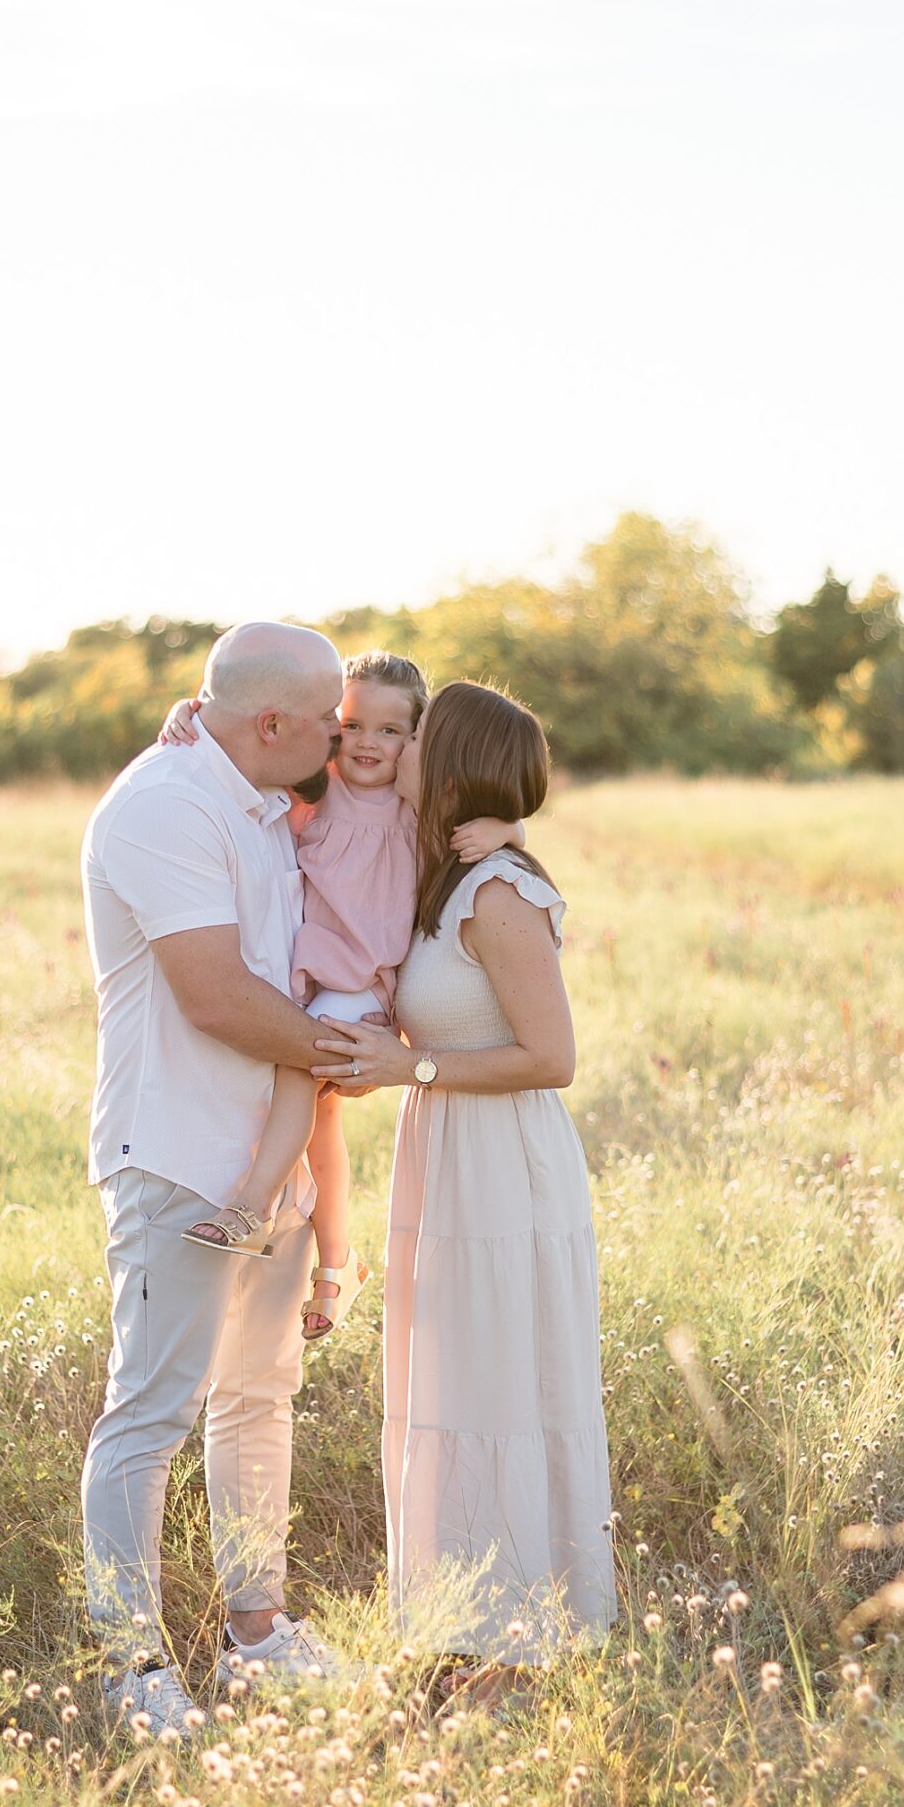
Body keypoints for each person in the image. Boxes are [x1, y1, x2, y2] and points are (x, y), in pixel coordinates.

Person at [78, 620, 356, 1742]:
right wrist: (352, 1055)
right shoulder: (163, 806)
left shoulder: (259, 791)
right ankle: (131, 1668)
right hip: (181, 1161)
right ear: (274, 722)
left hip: (271, 1161)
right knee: (149, 1415)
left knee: (256, 1400)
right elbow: (217, 997)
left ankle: (259, 1637)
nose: (342, 737)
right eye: (327, 719)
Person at [314, 680, 617, 1704]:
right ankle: (455, 1632)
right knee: (445, 1393)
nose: (390, 748)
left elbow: (552, 1056)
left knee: (500, 1395)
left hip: (502, 1163)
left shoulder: (498, 893)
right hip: (443, 1155)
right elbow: (325, 784)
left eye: (415, 739)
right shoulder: (438, 866)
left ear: (446, 765)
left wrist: (413, 1070)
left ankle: (516, 1650)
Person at [161, 653, 519, 1340]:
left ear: (418, 738)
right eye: (353, 724)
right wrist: (189, 717)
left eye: (391, 731)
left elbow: (509, 819)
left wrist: (508, 831)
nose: (366, 744)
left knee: (301, 1067)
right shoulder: (315, 787)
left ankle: (251, 1206)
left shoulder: (420, 805)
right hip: (308, 977)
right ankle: (336, 1263)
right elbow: (240, 751)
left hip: (362, 986)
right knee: (317, 1125)